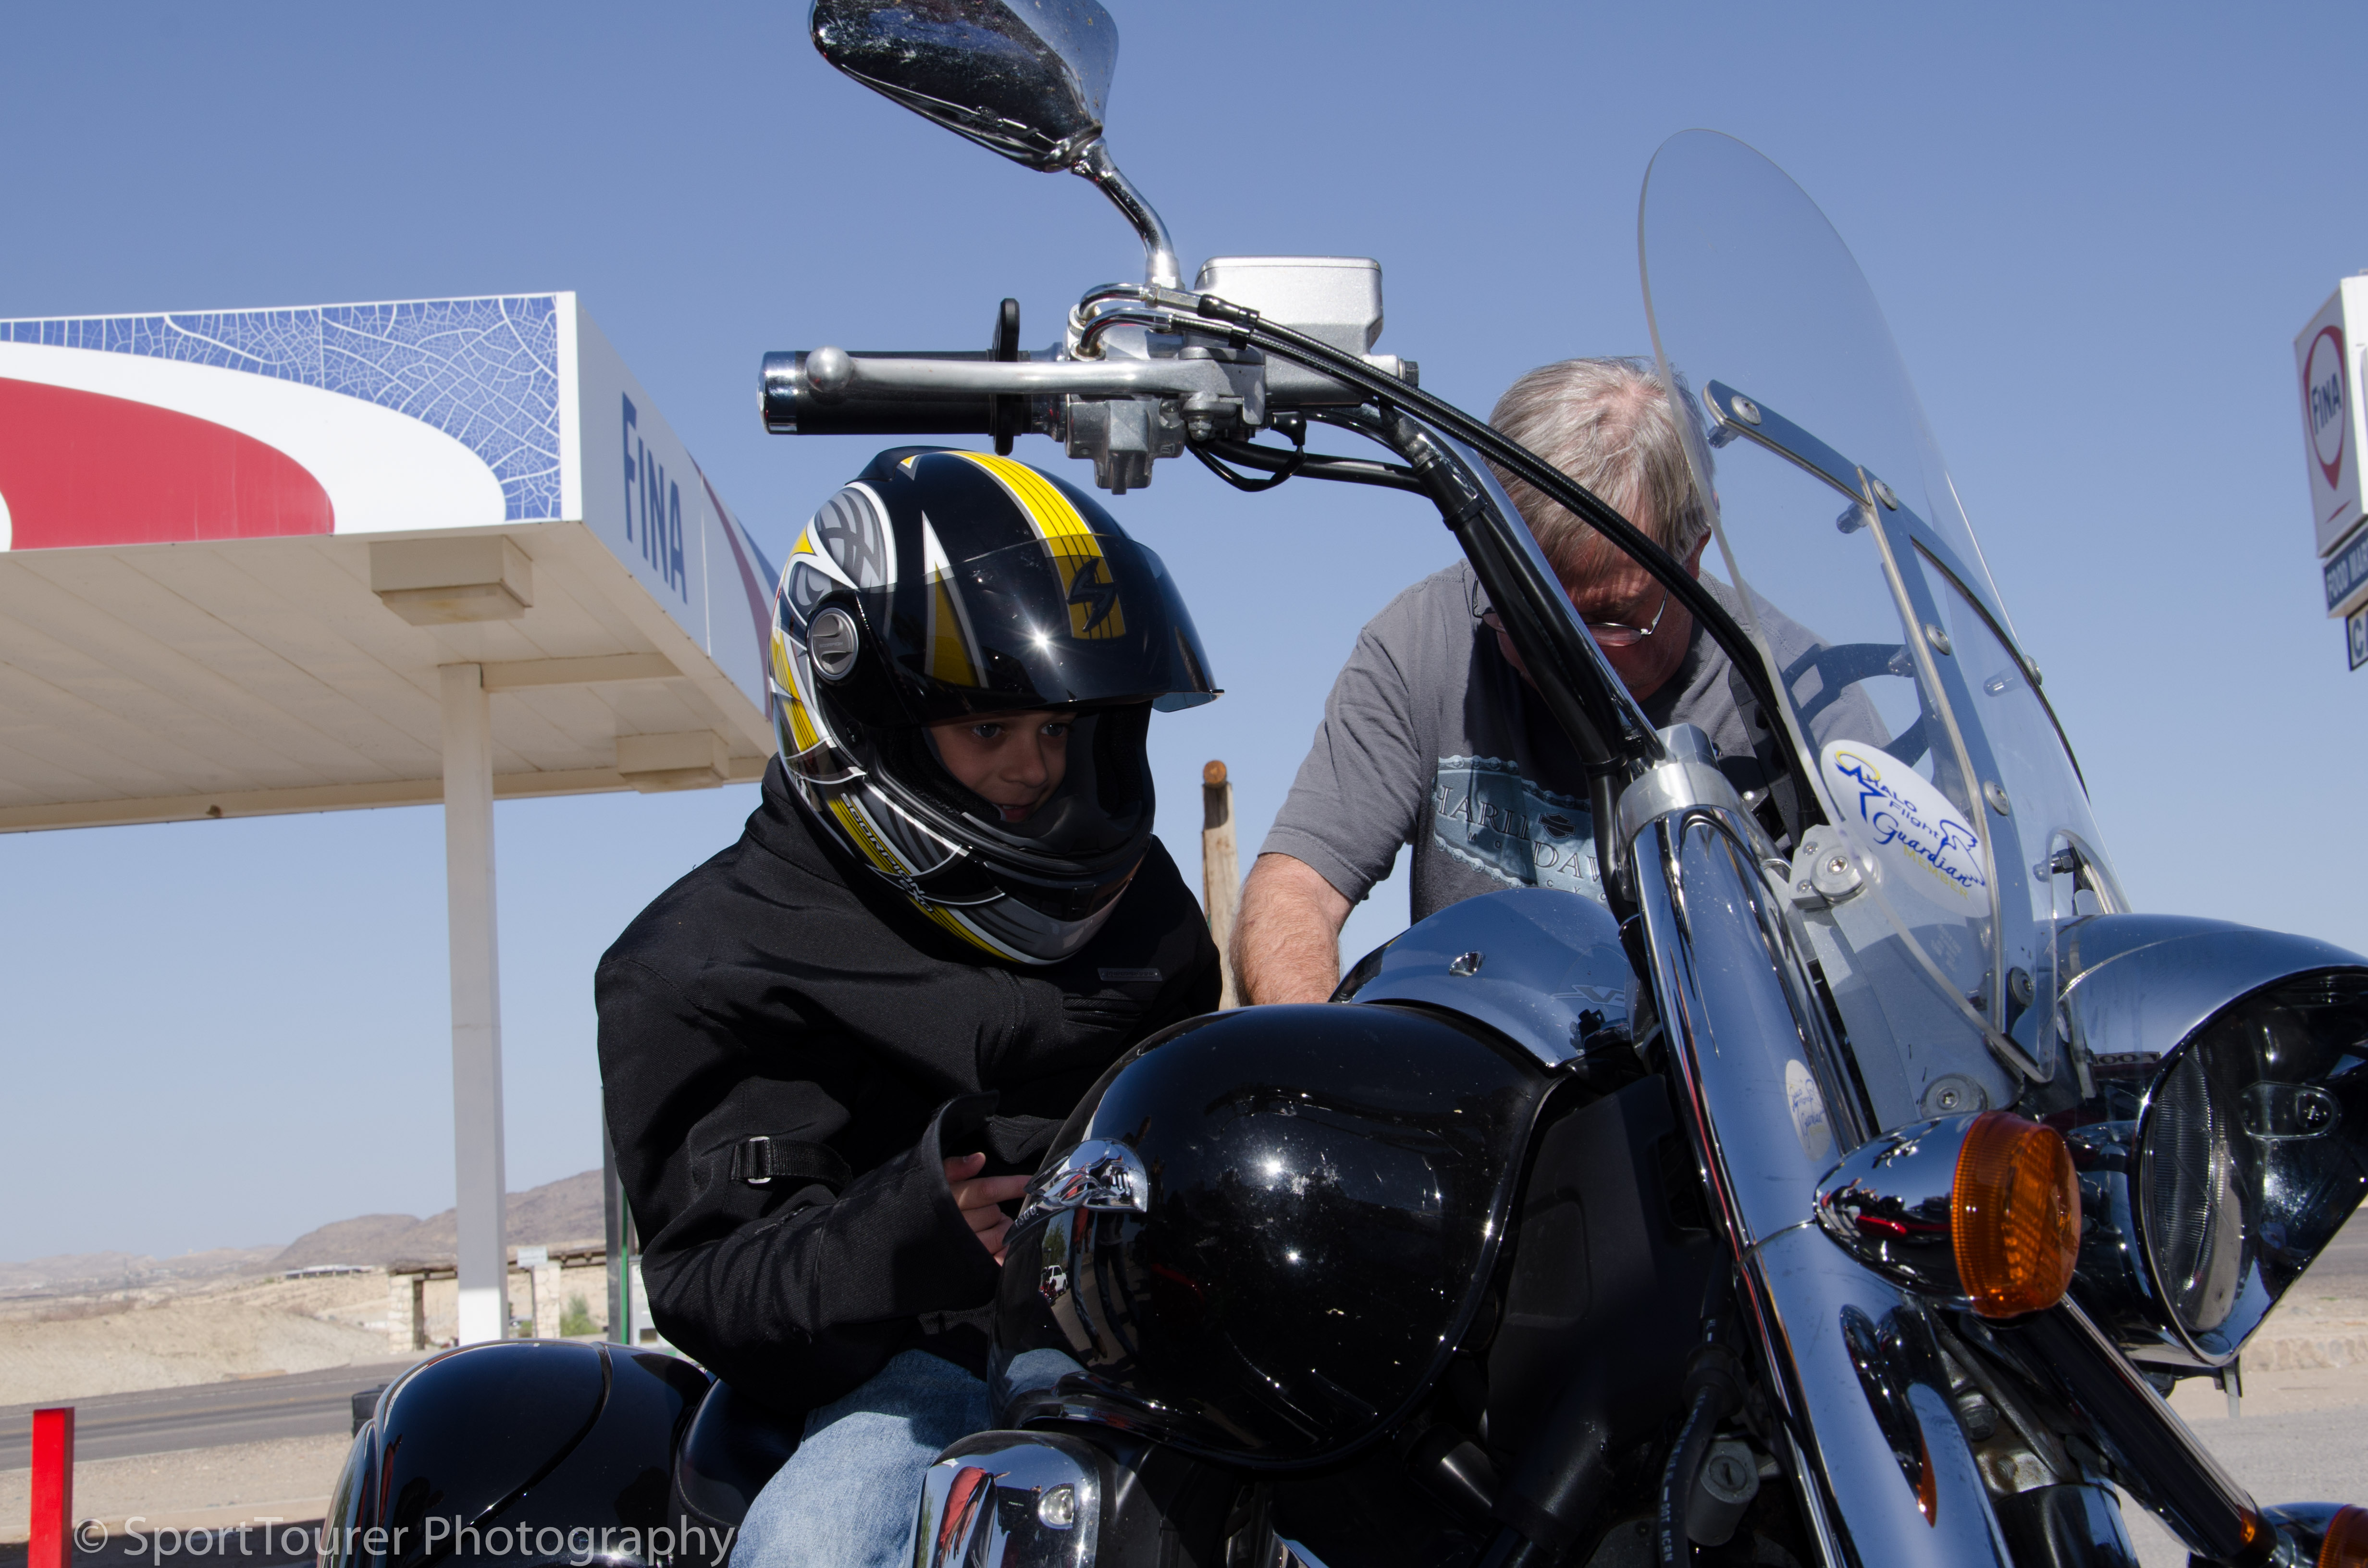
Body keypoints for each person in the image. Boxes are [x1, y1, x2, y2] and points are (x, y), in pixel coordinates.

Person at [596, 448, 1223, 1568]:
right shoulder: (701, 964)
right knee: (821, 1540)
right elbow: (709, 1282)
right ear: (868, 714)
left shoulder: (1140, 903)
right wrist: (910, 1231)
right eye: (989, 730)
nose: (1033, 769)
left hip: (1154, 1332)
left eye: (1059, 729)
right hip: (915, 1366)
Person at [1234, 356, 1878, 1004]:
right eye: (1525, 609)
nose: (1558, 659)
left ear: (1697, 550)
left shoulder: (1800, 699)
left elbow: (1912, 949)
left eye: (1606, 619)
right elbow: (1297, 888)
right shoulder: (1422, 639)